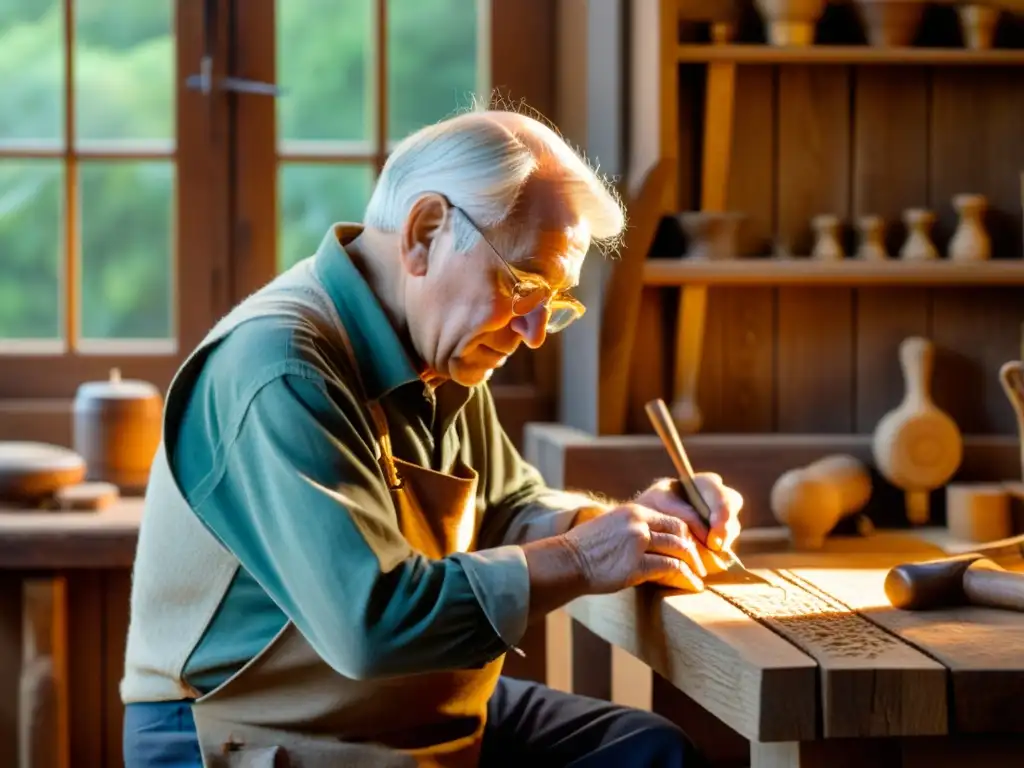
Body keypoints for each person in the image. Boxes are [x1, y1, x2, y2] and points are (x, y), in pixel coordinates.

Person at [121, 108, 744, 768]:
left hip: (400, 710)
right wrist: (586, 560)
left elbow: (509, 509)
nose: (533, 331)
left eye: (554, 302)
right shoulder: (281, 368)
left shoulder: (441, 352)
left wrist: (634, 529)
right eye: (522, 283)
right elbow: (371, 622)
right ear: (424, 233)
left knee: (647, 753)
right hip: (252, 730)